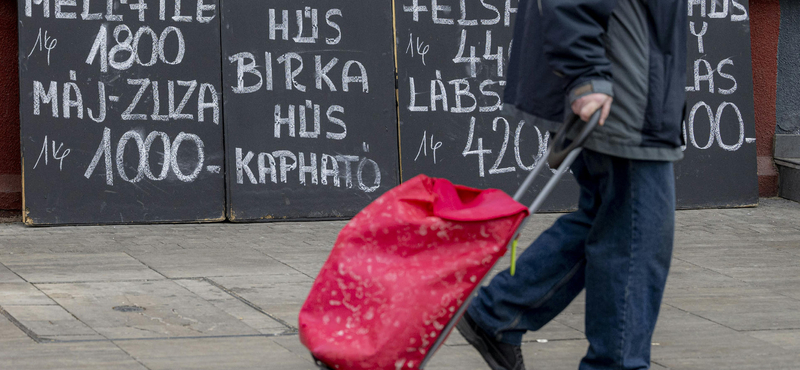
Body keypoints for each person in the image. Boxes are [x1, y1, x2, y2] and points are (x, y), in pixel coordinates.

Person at [455, 0, 687, 369]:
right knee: (637, 237)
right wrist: (587, 74)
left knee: (609, 221)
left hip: (630, 85)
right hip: (621, 88)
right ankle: (613, 362)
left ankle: (499, 312)